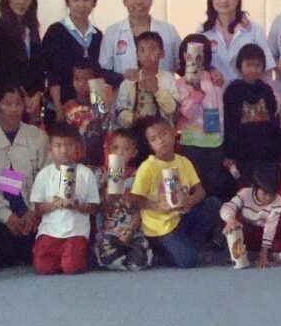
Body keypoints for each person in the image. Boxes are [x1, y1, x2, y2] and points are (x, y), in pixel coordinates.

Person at [131, 117, 221, 268]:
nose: (161, 141)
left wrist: (191, 200)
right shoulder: (148, 167)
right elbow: (135, 199)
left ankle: (190, 247)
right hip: (160, 227)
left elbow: (200, 191)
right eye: (154, 139)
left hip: (181, 217)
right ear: (150, 145)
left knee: (213, 204)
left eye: (163, 134)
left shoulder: (184, 161)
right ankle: (162, 252)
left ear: (173, 132)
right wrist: (157, 205)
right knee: (188, 261)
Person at [0, 83, 48, 267]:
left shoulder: (37, 137)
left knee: (37, 251)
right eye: (8, 104)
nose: (14, 109)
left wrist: (34, 211)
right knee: (3, 253)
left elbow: (46, 177)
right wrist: (6, 216)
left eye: (18, 103)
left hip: (33, 213)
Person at [29, 123, 100, 276]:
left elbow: (94, 207)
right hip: (50, 231)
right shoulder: (44, 174)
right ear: (50, 148)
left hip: (76, 231)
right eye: (58, 145)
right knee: (43, 268)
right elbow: (38, 208)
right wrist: (53, 205)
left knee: (70, 267)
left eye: (69, 145)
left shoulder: (85, 173)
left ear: (77, 147)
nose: (64, 150)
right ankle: (59, 258)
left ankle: (71, 257)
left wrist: (77, 206)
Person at [174, 33, 227, 198]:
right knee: (194, 186)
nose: (195, 58)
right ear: (184, 55)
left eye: (200, 53)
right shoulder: (180, 83)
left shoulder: (215, 78)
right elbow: (185, 113)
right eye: (190, 53)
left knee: (216, 187)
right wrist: (196, 91)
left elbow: (220, 109)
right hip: (193, 144)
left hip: (216, 142)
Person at [0, 0, 44, 119]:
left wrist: (38, 94)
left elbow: (38, 67)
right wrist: (23, 96)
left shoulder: (32, 29)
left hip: (32, 105)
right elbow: (0, 70)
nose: (21, 1)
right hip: (7, 103)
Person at [44, 0, 104, 118]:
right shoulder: (55, 31)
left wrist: (99, 112)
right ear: (67, 2)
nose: (81, 4)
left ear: (94, 2)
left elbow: (98, 75)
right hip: (60, 109)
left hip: (91, 111)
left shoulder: (98, 35)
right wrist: (58, 108)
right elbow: (51, 74)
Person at [222, 42, 280, 185]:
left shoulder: (266, 90)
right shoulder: (233, 90)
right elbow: (229, 124)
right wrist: (229, 154)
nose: (253, 69)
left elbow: (274, 121)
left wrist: (275, 151)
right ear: (240, 66)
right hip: (242, 153)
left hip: (265, 151)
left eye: (258, 65)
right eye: (249, 65)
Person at [99, 0, 181, 79]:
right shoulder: (112, 32)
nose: (139, 2)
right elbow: (103, 71)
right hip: (124, 89)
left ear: (151, 0)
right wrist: (122, 77)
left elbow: (182, 66)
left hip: (164, 89)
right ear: (124, 0)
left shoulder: (168, 31)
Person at [95, 127, 152, 271]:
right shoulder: (101, 174)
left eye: (125, 149)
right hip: (109, 229)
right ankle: (116, 255)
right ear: (109, 150)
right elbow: (94, 205)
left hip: (132, 227)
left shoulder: (138, 175)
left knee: (139, 261)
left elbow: (141, 207)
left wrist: (131, 228)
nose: (120, 153)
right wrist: (106, 194)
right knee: (109, 255)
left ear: (134, 153)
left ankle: (131, 253)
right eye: (115, 148)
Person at [199, 0, 273, 85]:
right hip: (212, 93)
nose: (223, 0)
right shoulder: (202, 31)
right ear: (211, 0)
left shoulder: (255, 30)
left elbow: (266, 70)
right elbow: (197, 66)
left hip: (246, 93)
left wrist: (262, 93)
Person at [219, 162, 281, 269]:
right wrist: (231, 219)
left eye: (272, 194)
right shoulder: (245, 193)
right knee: (231, 217)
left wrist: (263, 254)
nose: (268, 198)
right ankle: (234, 252)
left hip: (263, 238)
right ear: (254, 188)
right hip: (244, 236)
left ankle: (275, 251)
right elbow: (226, 207)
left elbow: (270, 228)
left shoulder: (278, 201)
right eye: (264, 194)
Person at [114, 31, 177, 128]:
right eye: (142, 50)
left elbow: (172, 110)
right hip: (134, 131)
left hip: (162, 131)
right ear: (137, 54)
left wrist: (156, 90)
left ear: (162, 53)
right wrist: (132, 118)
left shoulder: (169, 79)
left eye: (152, 50)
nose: (147, 54)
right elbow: (119, 111)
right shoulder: (129, 81)